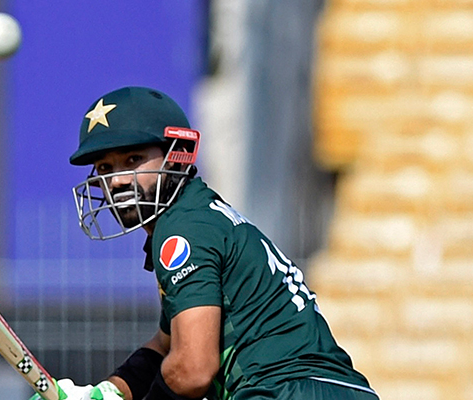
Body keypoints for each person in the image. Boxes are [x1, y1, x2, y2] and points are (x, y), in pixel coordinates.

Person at [35, 86, 379, 400]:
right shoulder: (202, 215)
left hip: (280, 391)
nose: (119, 180)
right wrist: (105, 393)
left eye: (133, 160)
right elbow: (164, 345)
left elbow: (192, 368)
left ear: (176, 155)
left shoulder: (182, 231)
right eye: (106, 167)